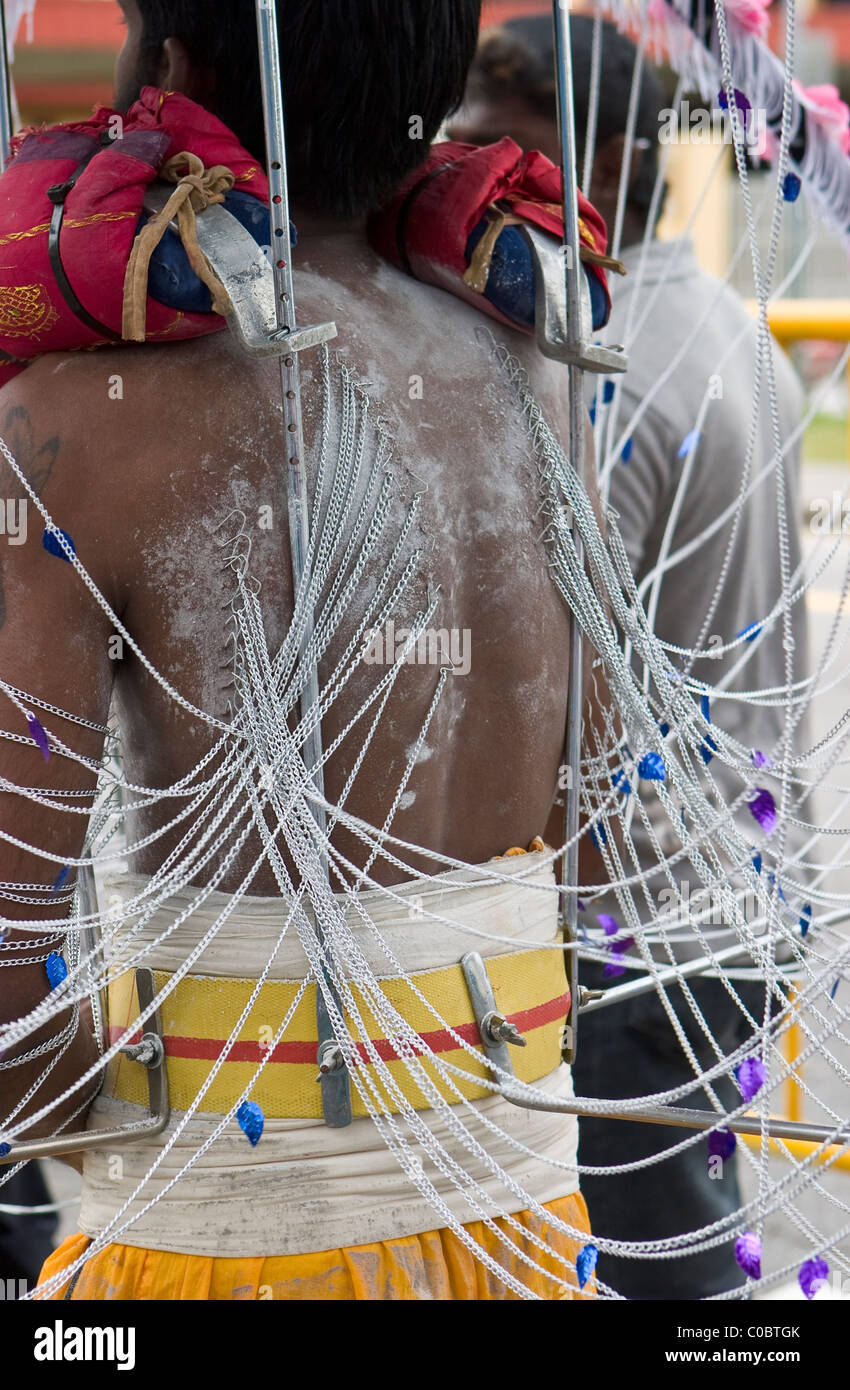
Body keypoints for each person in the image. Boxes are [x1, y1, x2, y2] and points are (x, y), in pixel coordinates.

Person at [0, 0, 597, 1301]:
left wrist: (146, 1149)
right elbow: (584, 839)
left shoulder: (71, 424)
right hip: (534, 1219)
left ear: (171, 66)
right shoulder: (528, 371)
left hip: (221, 1242)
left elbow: (1, 978)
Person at [451, 14, 809, 1299]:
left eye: (502, 147)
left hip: (640, 932)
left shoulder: (600, 366)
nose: (467, 174)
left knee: (657, 1277)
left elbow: (551, 677)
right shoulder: (712, 326)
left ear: (595, 155)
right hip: (727, 900)